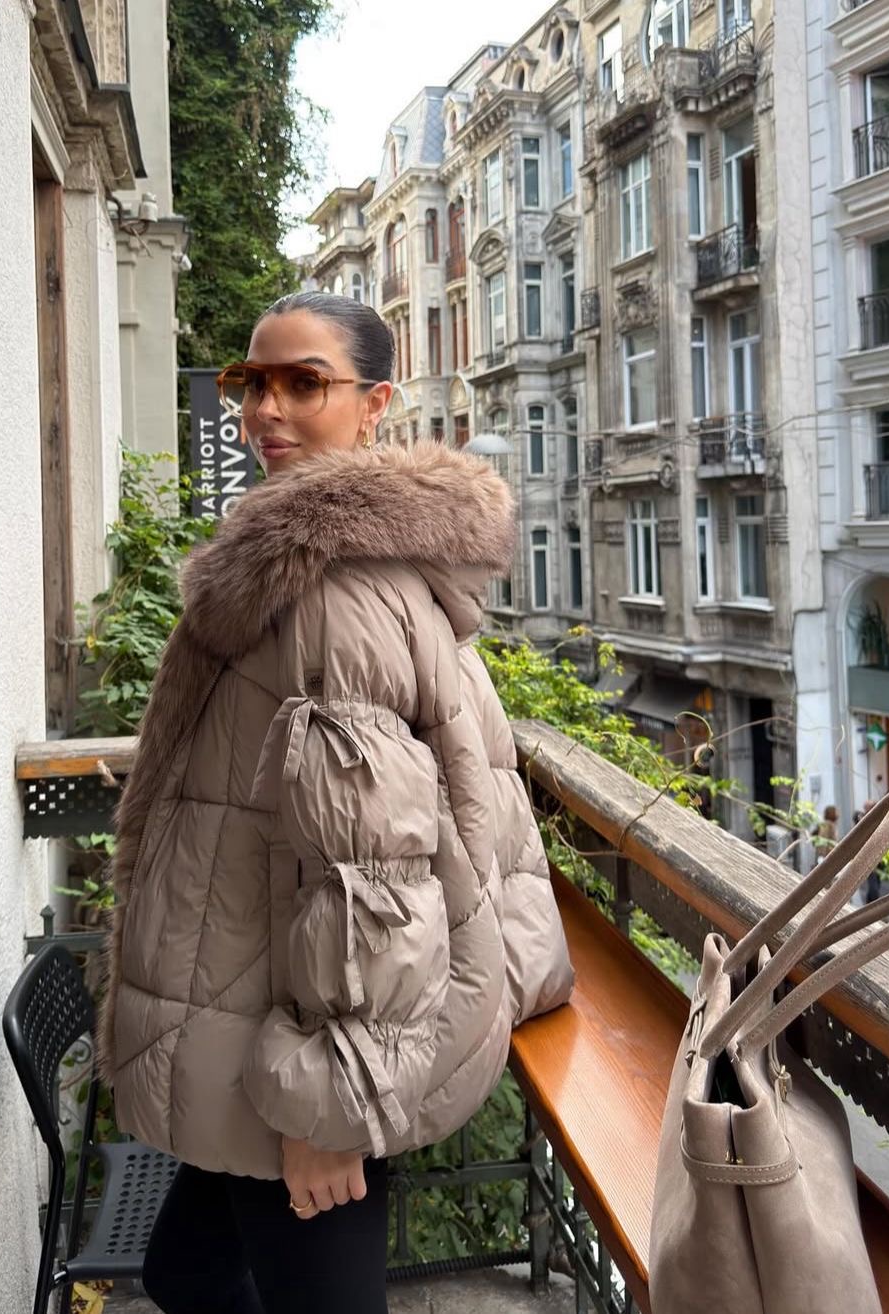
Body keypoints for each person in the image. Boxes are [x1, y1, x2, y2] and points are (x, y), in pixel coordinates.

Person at [99, 292, 574, 1314]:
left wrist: (329, 1099)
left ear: (375, 405)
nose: (264, 409)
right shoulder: (333, 563)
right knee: (185, 1269)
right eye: (251, 382)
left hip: (312, 1054)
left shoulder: (332, 591)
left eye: (303, 383)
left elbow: (373, 868)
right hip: (258, 1002)